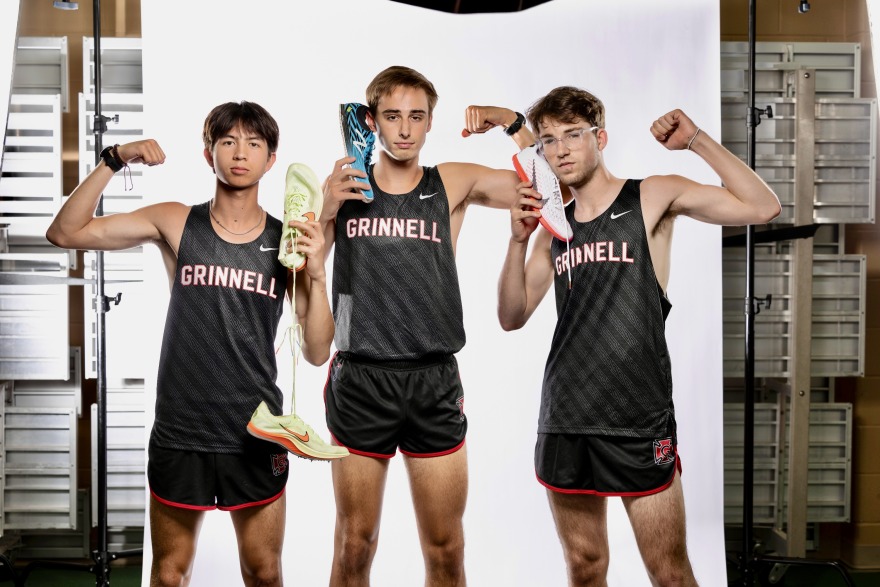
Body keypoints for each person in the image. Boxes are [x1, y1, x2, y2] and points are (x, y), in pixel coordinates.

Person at [496, 86, 781, 586]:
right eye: (547, 141)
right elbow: (511, 316)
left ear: (599, 137)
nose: (559, 149)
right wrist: (517, 242)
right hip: (567, 417)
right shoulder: (552, 229)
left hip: (638, 418)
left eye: (572, 135)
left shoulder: (651, 196)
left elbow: (763, 207)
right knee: (585, 569)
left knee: (669, 573)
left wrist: (697, 141)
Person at [45, 101, 334, 587]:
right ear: (209, 154)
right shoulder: (176, 222)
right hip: (182, 429)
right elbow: (65, 232)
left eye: (254, 143)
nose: (240, 153)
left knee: (264, 572)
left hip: (256, 431)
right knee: (169, 574)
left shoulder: (289, 242)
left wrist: (319, 274)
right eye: (227, 141)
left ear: (271, 158)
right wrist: (114, 159)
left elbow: (318, 350)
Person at [320, 65, 535, 586]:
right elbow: (301, 270)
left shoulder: (451, 182)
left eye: (417, 117)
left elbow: (549, 189)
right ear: (371, 121)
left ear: (430, 122)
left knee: (445, 549)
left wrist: (513, 122)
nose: (404, 129)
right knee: (354, 546)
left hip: (433, 379)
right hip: (361, 378)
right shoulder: (345, 185)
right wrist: (325, 211)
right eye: (392, 117)